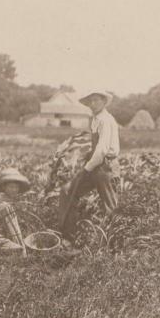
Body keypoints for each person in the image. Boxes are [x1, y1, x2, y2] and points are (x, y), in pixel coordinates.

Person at [57, 89, 121, 238]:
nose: (93, 104)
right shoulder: (95, 119)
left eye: (96, 100)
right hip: (96, 166)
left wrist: (85, 170)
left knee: (111, 207)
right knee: (68, 191)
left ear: (104, 102)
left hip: (106, 167)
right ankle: (69, 235)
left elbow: (102, 150)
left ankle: (116, 244)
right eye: (90, 101)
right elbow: (95, 149)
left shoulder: (106, 120)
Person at [0, 167, 31, 257]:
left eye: (16, 187)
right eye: (11, 187)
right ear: (4, 187)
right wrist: (24, 254)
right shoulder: (5, 206)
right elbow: (15, 232)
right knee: (19, 250)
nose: (14, 190)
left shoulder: (3, 201)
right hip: (0, 240)